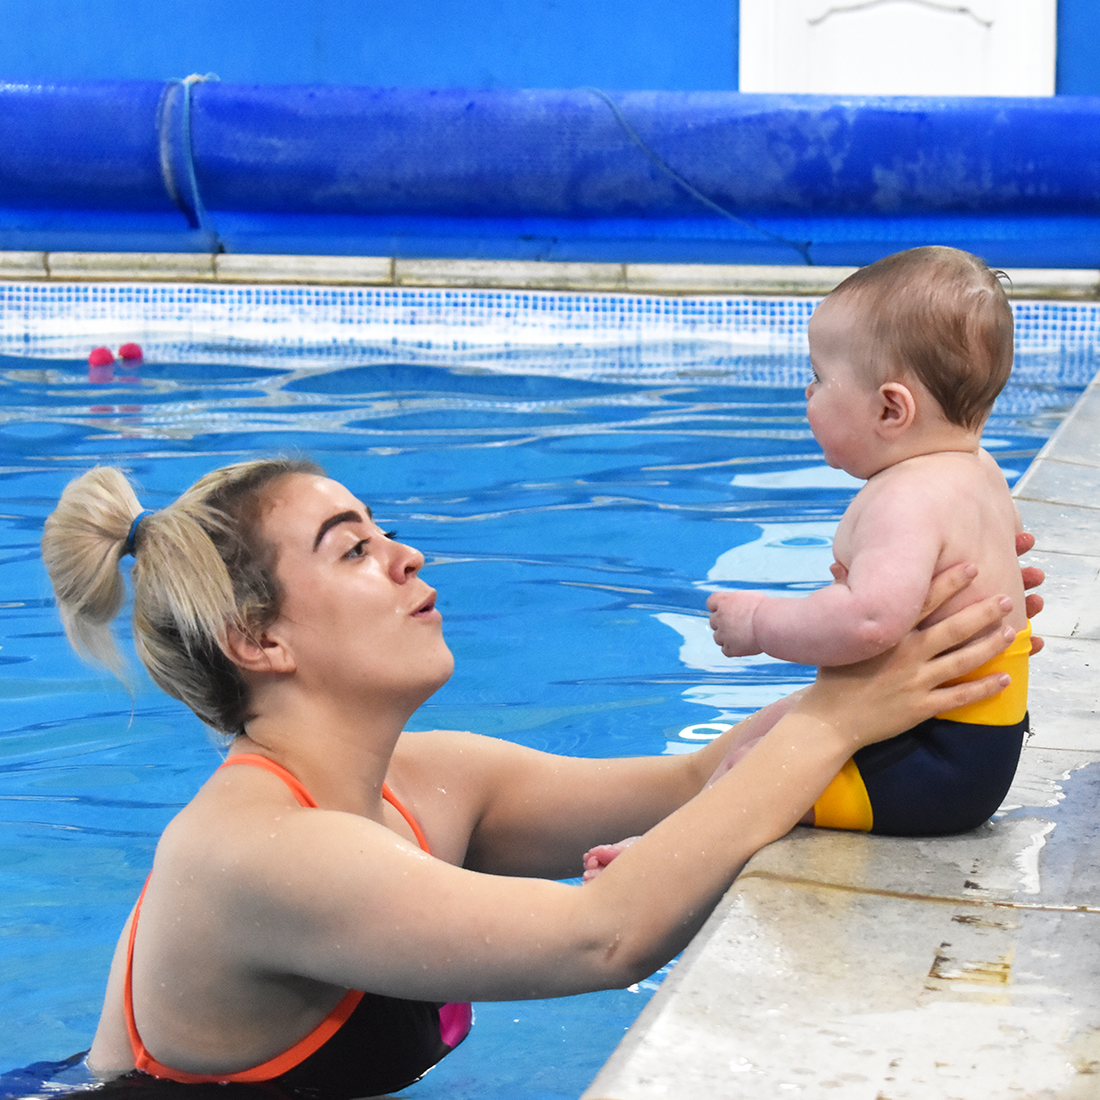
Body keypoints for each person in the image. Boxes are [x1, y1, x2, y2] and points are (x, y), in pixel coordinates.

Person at [41, 457, 1029, 1098]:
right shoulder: (259, 850)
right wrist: (834, 718)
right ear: (257, 638)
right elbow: (600, 935)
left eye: (380, 529)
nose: (405, 553)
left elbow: (695, 783)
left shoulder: (426, 780)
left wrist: (921, 641)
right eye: (352, 547)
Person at [705, 246, 1033, 837]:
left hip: (937, 760)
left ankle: (658, 861)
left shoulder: (906, 498)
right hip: (972, 742)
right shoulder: (978, 471)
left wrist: (759, 622)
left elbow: (868, 624)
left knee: (748, 769)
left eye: (819, 377)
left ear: (889, 408)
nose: (808, 394)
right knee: (769, 730)